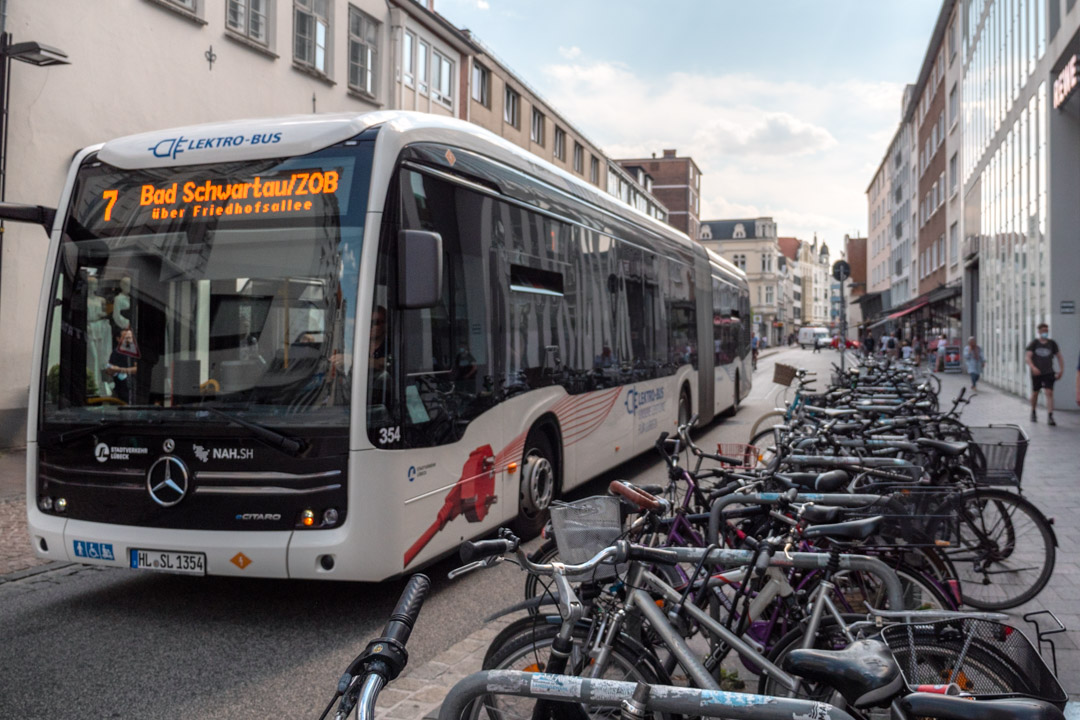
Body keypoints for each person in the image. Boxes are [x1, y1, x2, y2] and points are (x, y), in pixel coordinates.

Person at [1025, 322, 1064, 425]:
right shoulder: (1034, 344)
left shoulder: (1052, 344)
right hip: (1037, 373)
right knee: (1035, 393)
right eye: (1043, 331)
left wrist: (1061, 370)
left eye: (1046, 331)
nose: (1045, 333)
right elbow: (1028, 357)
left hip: (1049, 372)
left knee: (1049, 392)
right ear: (1039, 332)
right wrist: (1033, 367)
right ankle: (1033, 411)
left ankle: (1050, 416)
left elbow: (1059, 356)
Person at [105, 327, 138, 404]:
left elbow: (137, 369)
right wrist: (110, 370)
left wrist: (120, 369)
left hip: (133, 389)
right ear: (118, 339)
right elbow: (109, 370)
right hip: (120, 390)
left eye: (130, 338)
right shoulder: (115, 353)